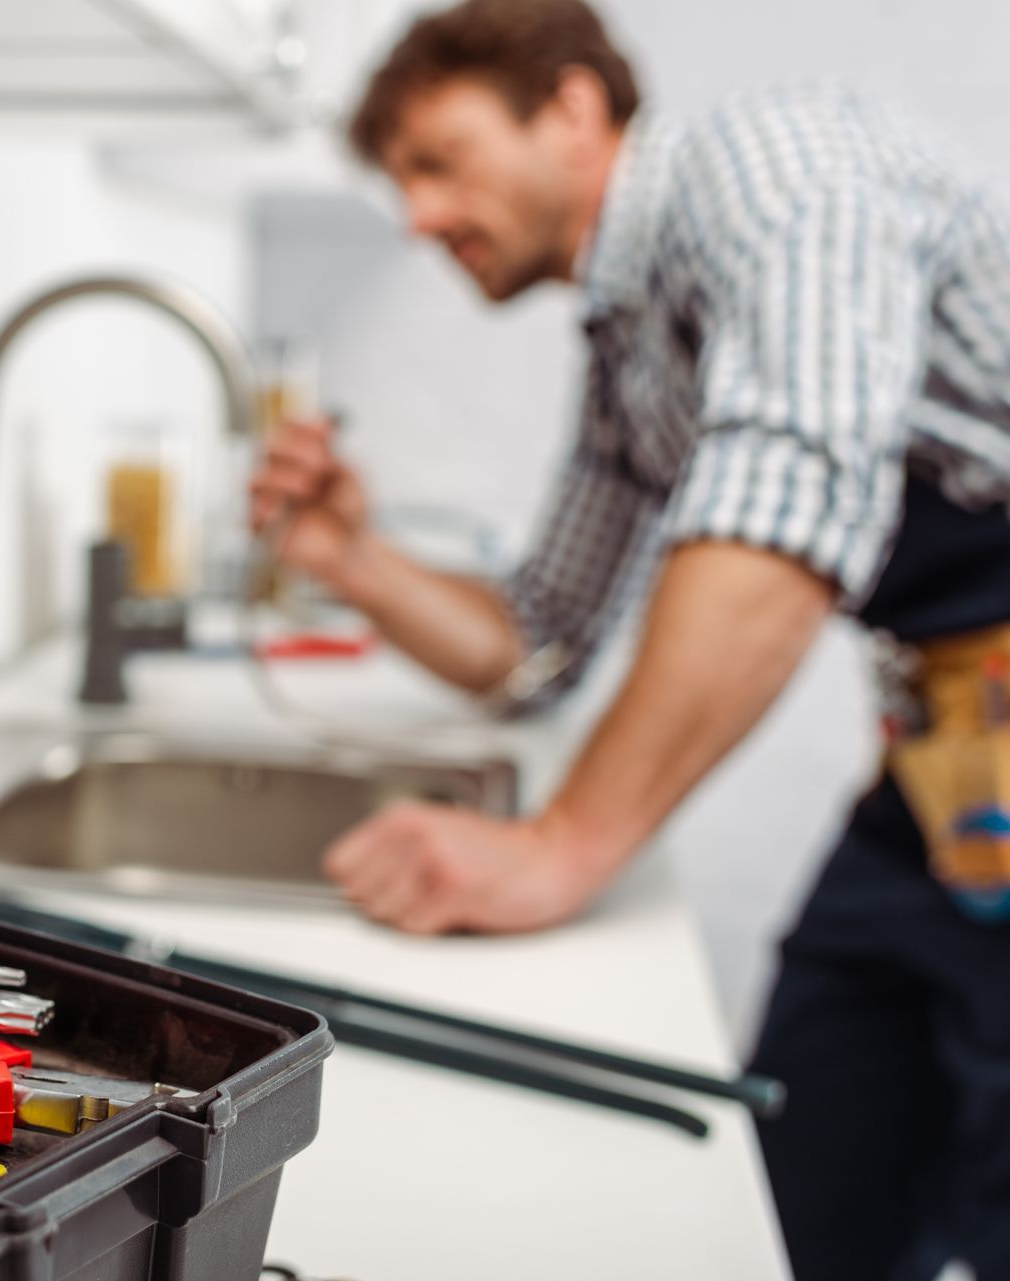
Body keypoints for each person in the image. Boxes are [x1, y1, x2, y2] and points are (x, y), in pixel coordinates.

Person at [248, 1, 1010, 1276]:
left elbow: (790, 500)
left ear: (574, 109)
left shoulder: (774, 165)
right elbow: (537, 634)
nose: (418, 217)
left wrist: (558, 848)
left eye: (439, 161)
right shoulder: (629, 340)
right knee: (810, 1155)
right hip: (948, 765)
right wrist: (349, 562)